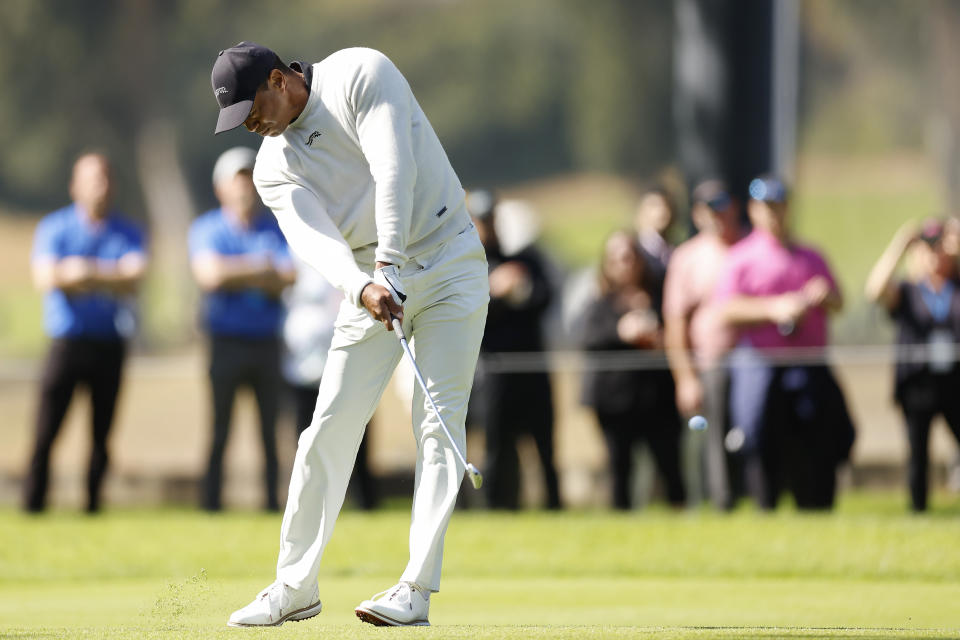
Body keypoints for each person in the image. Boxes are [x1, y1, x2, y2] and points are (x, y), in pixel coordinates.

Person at [210, 42, 488, 627]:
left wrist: (388, 264)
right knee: (328, 427)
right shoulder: (271, 167)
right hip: (370, 283)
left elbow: (395, 167)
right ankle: (294, 586)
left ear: (280, 81)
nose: (252, 126)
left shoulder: (361, 72)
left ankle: (415, 588)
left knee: (438, 423)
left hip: (449, 259)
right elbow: (314, 241)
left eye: (252, 108)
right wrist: (365, 285)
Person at [715, 176, 854, 510]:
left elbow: (839, 302)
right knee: (759, 435)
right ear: (754, 210)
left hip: (808, 364)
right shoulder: (741, 257)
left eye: (780, 207)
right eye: (767, 208)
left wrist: (823, 297)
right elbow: (725, 310)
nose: (775, 215)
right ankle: (765, 504)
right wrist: (773, 309)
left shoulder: (810, 256)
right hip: (762, 363)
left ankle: (817, 504)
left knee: (819, 434)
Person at [23, 152, 147, 514]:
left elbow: (134, 278)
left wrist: (81, 273)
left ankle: (93, 504)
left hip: (109, 343)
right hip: (67, 344)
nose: (101, 186)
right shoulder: (54, 228)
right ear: (74, 186)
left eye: (106, 178)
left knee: (101, 435)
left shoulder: (128, 230)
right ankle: (34, 504)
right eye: (93, 179)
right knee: (46, 431)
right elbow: (46, 278)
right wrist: (107, 276)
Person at [189, 146, 297, 512]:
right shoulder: (206, 229)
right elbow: (210, 276)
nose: (245, 188)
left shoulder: (276, 227)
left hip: (267, 342)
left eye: (250, 179)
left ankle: (271, 505)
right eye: (238, 181)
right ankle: (212, 505)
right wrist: (261, 269)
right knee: (220, 430)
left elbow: (289, 276)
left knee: (270, 434)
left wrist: (237, 271)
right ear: (221, 188)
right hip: (225, 342)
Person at [466, 189, 561, 510]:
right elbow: (470, 315)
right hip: (494, 373)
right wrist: (494, 291)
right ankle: (496, 509)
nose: (487, 227)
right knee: (497, 449)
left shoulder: (526, 259)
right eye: (481, 220)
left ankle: (554, 508)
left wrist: (519, 289)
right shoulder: (467, 266)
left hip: (534, 369)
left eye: (491, 219)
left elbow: (545, 298)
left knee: (545, 449)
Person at [580, 230, 686, 510]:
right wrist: (621, 331)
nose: (625, 264)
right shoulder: (599, 303)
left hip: (658, 399)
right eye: (617, 259)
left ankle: (682, 519)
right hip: (615, 402)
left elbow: (679, 333)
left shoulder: (660, 296)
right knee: (620, 470)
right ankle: (622, 524)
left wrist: (661, 339)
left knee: (670, 466)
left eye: (630, 257)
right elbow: (587, 340)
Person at [865, 218, 960, 511]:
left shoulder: (955, 288)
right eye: (927, 248)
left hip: (955, 381)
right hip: (917, 383)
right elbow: (875, 290)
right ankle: (918, 510)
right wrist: (902, 242)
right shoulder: (908, 291)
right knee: (918, 453)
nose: (935, 255)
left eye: (940, 247)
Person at [663, 180, 742, 510]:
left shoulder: (747, 248)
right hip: (711, 365)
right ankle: (721, 504)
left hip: (754, 360)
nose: (717, 217)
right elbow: (676, 324)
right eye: (709, 210)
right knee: (713, 443)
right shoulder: (687, 257)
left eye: (722, 208)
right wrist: (685, 378)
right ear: (697, 215)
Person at [282, 256, 378, 510]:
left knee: (356, 438)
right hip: (302, 368)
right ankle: (308, 504)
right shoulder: (293, 250)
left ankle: (364, 502)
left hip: (348, 364)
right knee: (307, 441)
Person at [633, 186, 677, 306]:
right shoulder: (634, 251)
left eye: (666, 206)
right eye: (654, 206)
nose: (662, 211)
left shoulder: (674, 251)